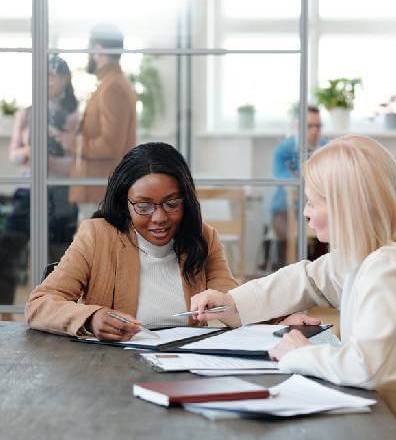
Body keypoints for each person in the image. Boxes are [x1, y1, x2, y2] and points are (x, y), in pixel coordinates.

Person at [191, 135, 396, 437]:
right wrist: (232, 303)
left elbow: (370, 369)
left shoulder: (389, 267)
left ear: (347, 206)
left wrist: (300, 352)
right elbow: (312, 277)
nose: (305, 212)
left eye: (313, 202)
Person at [25, 142, 238, 340]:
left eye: (172, 204)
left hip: (184, 364)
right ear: (124, 203)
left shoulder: (203, 238)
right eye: (143, 207)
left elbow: (238, 305)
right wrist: (91, 318)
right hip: (114, 366)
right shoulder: (97, 236)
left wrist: (235, 306)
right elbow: (39, 305)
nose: (159, 218)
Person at [0, 55, 79, 309]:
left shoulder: (72, 116)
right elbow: (14, 154)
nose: (47, 81)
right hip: (28, 191)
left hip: (59, 194)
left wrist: (49, 153)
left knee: (60, 260)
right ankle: (5, 314)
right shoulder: (27, 112)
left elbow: (74, 163)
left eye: (52, 75)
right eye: (43, 75)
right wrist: (30, 152)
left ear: (65, 79)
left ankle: (56, 313)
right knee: (6, 249)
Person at [66, 24, 137, 219]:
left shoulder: (112, 87)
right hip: (98, 192)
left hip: (99, 193)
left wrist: (73, 143)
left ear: (97, 49)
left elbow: (110, 145)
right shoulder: (110, 84)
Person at [270, 105, 327, 266]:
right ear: (297, 127)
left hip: (318, 207)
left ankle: (320, 275)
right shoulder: (283, 150)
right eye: (310, 126)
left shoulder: (327, 148)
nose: (315, 131)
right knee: (285, 233)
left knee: (328, 226)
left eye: (318, 126)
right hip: (286, 209)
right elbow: (282, 178)